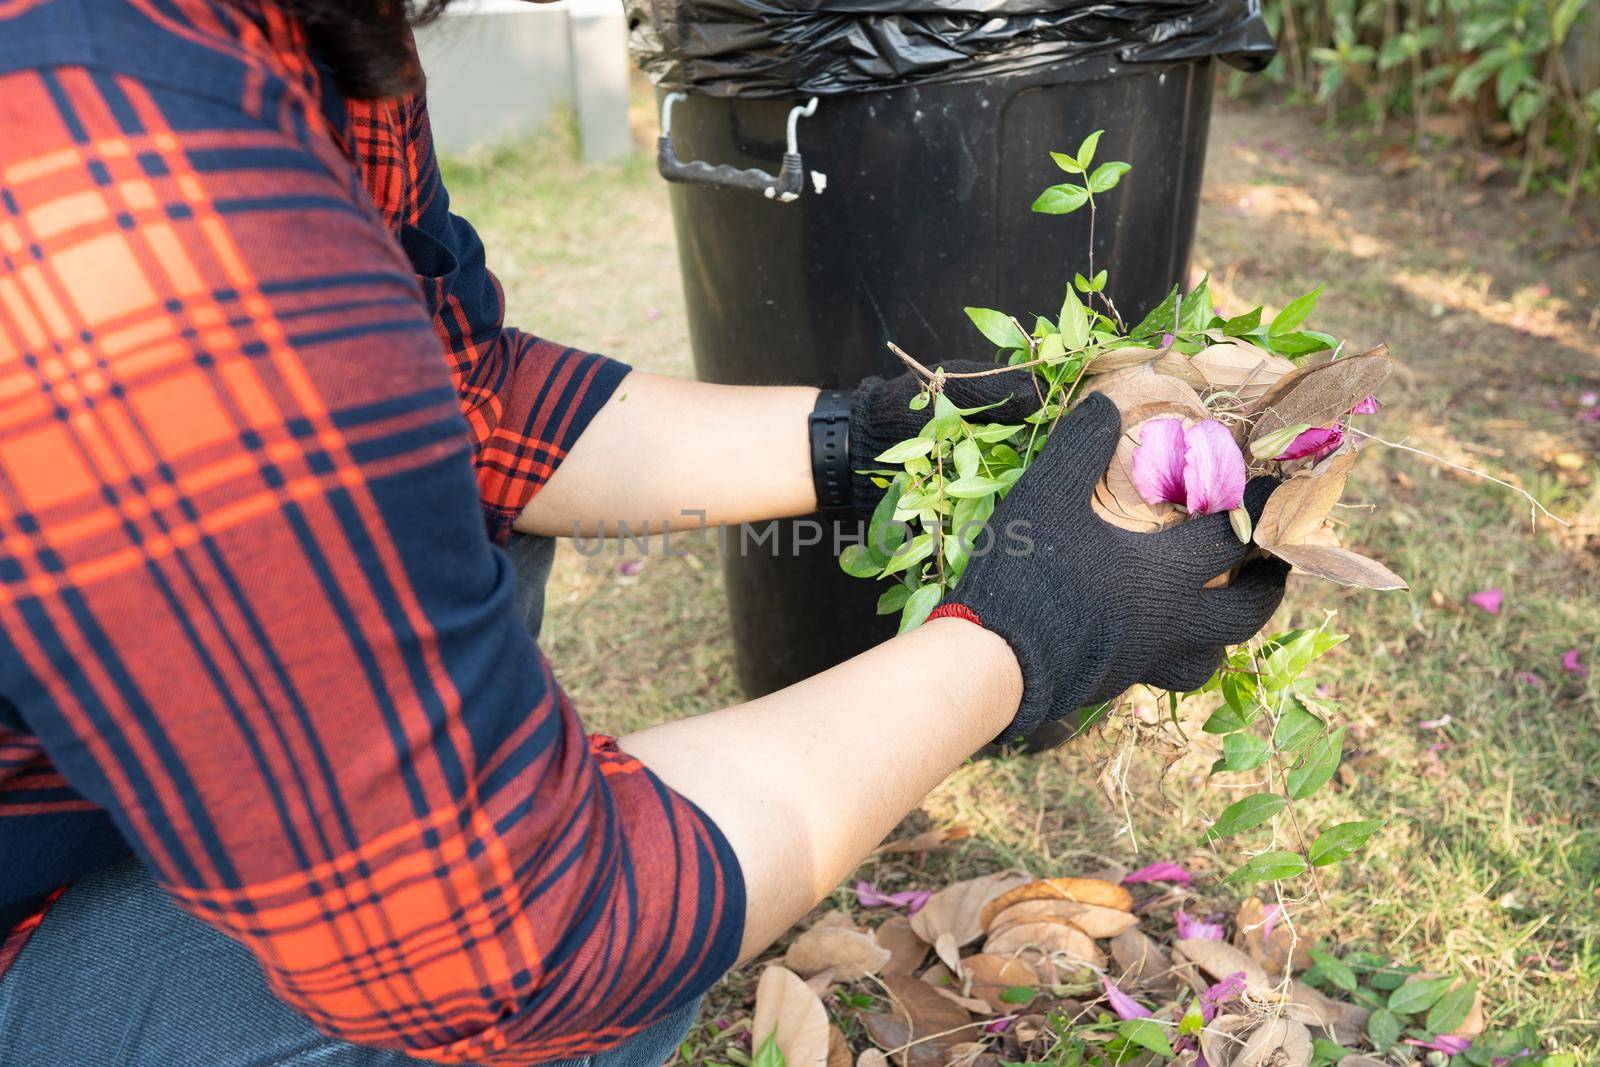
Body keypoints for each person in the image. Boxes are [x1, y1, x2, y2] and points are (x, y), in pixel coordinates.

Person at [0, 1, 1290, 1064]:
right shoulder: (107, 155)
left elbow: (468, 401)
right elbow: (533, 933)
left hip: (75, 787)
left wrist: (882, 435)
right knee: (572, 998)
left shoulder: (301, 42)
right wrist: (1040, 627)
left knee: (446, 512)